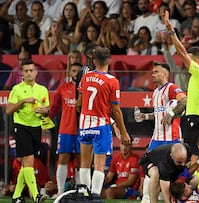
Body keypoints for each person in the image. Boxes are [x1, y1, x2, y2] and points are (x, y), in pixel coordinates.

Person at [164, 10, 199, 166]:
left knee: (194, 158)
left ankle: (195, 188)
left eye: (189, 59)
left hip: (193, 119)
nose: (186, 63)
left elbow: (180, 52)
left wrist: (170, 30)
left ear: (196, 60)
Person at [76, 47, 131, 195]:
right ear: (109, 60)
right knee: (99, 164)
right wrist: (124, 133)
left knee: (85, 163)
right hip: (101, 125)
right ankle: (94, 195)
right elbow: (116, 110)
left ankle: (84, 194)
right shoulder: (112, 81)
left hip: (84, 124)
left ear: (94, 61)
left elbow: (79, 103)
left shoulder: (85, 77)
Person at [6, 59, 49, 203]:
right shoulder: (17, 89)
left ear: (36, 73)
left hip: (36, 127)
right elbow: (8, 110)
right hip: (21, 126)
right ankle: (36, 195)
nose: (29, 73)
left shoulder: (43, 89)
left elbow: (47, 110)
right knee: (29, 161)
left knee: (27, 164)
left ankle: (16, 196)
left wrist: (45, 111)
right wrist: (23, 101)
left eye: (31, 70)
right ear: (22, 73)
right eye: (26, 71)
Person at [134, 61, 187, 151]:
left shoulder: (171, 87)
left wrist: (170, 114)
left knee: (173, 164)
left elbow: (184, 100)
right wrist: (144, 116)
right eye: (152, 72)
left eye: (156, 72)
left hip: (171, 137)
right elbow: (158, 113)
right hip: (157, 138)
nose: (152, 75)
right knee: (148, 163)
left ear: (165, 74)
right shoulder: (155, 92)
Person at [49, 62, 82, 195]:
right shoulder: (62, 88)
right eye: (73, 70)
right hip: (66, 129)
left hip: (82, 129)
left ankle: (81, 191)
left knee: (81, 160)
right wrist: (46, 120)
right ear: (69, 72)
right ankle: (61, 191)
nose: (76, 73)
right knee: (63, 158)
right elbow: (54, 108)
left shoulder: (86, 90)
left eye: (78, 71)